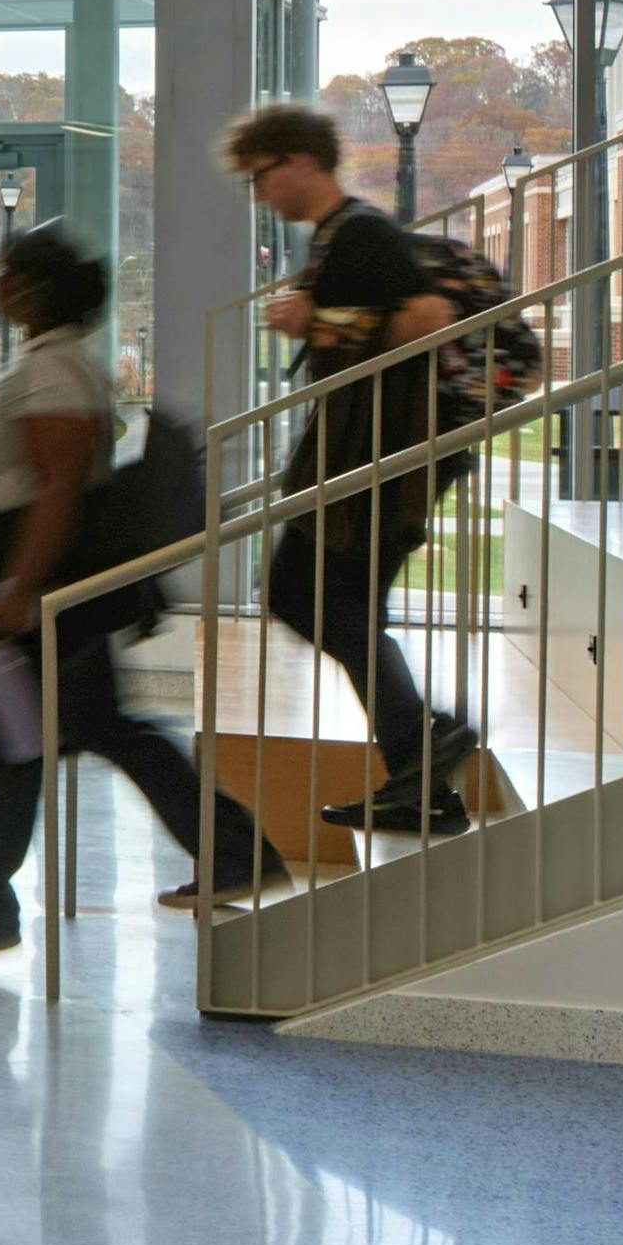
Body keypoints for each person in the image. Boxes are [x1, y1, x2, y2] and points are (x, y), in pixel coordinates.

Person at [0, 225, 282, 968]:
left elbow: (60, 487)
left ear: (36, 289)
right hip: (24, 574)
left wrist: (20, 587)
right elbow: (24, 476)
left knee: (19, 745)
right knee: (88, 729)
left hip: (27, 581)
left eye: (5, 273)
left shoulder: (54, 374)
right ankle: (234, 852)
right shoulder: (48, 365)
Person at [215, 100, 485, 838]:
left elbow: (429, 319)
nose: (260, 193)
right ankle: (424, 780)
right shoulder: (340, 237)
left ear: (300, 160)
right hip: (361, 458)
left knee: (304, 594)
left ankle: (426, 740)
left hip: (378, 463)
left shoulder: (361, 231)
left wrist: (317, 322)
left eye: (262, 176)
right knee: (332, 603)